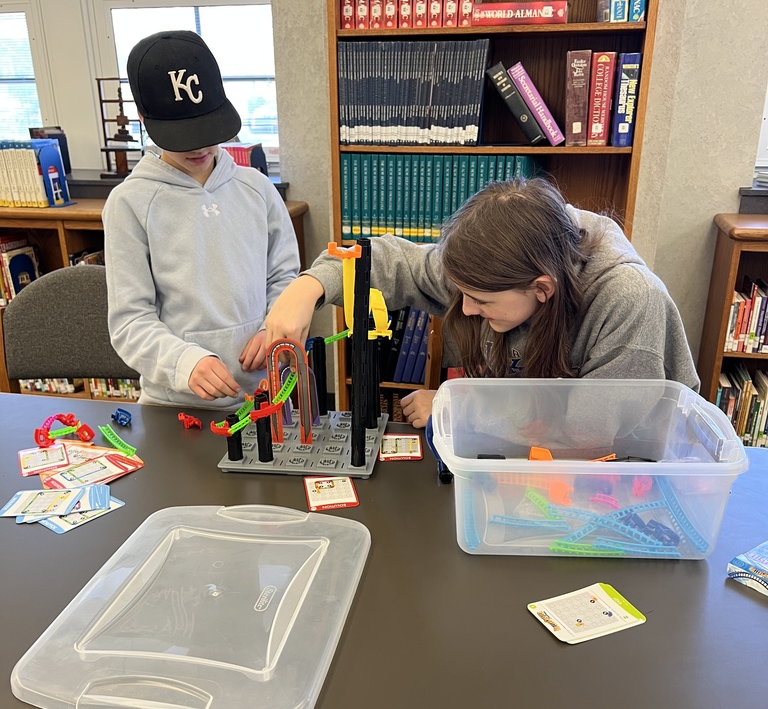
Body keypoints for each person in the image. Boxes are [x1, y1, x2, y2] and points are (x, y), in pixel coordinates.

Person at [264, 176, 699, 428]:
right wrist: (308, 286)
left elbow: (588, 433)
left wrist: (462, 408)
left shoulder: (631, 302)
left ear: (542, 289)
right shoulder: (491, 267)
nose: (466, 309)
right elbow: (392, 260)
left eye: (480, 300)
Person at [103, 30, 300, 408]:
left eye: (207, 129)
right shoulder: (129, 204)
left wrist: (272, 329)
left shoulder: (257, 189)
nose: (199, 146)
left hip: (265, 397)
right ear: (143, 118)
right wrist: (184, 362)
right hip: (174, 406)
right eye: (181, 135)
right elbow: (129, 322)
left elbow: (284, 279)